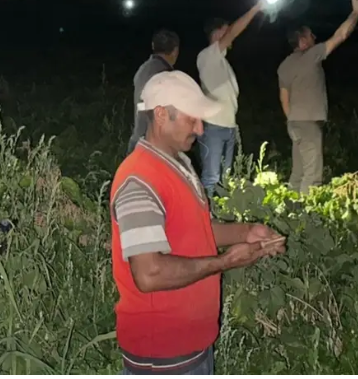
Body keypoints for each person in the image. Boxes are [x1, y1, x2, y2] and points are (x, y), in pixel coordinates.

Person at [109, 70, 287, 375]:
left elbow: (195, 230)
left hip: (191, 343)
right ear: (162, 115)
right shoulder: (140, 180)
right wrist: (223, 262)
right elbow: (149, 274)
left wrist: (245, 232)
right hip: (162, 352)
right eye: (192, 119)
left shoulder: (177, 164)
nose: (201, 128)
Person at [277, 0, 358, 194]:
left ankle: (288, 211)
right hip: (308, 124)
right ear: (302, 40)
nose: (314, 37)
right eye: (310, 35)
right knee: (312, 175)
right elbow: (341, 35)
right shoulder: (312, 55)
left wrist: (293, 121)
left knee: (298, 173)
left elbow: (284, 99)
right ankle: (307, 219)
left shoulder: (284, 65)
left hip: (294, 123)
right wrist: (356, 12)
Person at [195, 0, 265, 196]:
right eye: (226, 31)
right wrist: (256, 8)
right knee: (211, 177)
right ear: (217, 33)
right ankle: (205, 219)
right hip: (213, 127)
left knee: (225, 179)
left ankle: (221, 216)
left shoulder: (222, 62)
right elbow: (235, 30)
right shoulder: (208, 56)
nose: (231, 36)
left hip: (228, 127)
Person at [127, 29, 180, 153]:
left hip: (137, 140)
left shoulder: (143, 69)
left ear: (153, 46)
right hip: (155, 147)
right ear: (175, 51)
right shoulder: (167, 75)